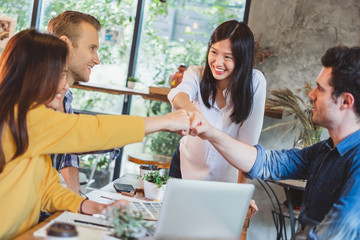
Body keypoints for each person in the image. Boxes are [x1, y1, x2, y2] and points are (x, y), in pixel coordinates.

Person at [0, 29, 190, 239]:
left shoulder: (28, 121)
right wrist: (165, 121)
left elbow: (45, 189)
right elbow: (92, 130)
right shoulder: (24, 118)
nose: (64, 85)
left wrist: (88, 206)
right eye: (59, 74)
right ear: (33, 75)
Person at [191, 45, 360, 239]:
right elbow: (266, 163)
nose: (311, 95)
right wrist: (210, 132)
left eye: (320, 89)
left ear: (346, 102)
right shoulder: (326, 150)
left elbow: (333, 233)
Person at [167, 20, 267, 182]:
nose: (217, 62)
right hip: (184, 168)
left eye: (228, 57)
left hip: (224, 180)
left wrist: (241, 193)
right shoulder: (196, 74)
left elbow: (248, 148)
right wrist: (193, 112)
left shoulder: (254, 83)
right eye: (214, 52)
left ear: (242, 59)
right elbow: (178, 94)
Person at [46, 11, 102, 193]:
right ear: (64, 44)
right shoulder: (34, 95)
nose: (97, 59)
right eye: (91, 48)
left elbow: (67, 152)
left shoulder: (66, 96)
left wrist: (76, 194)